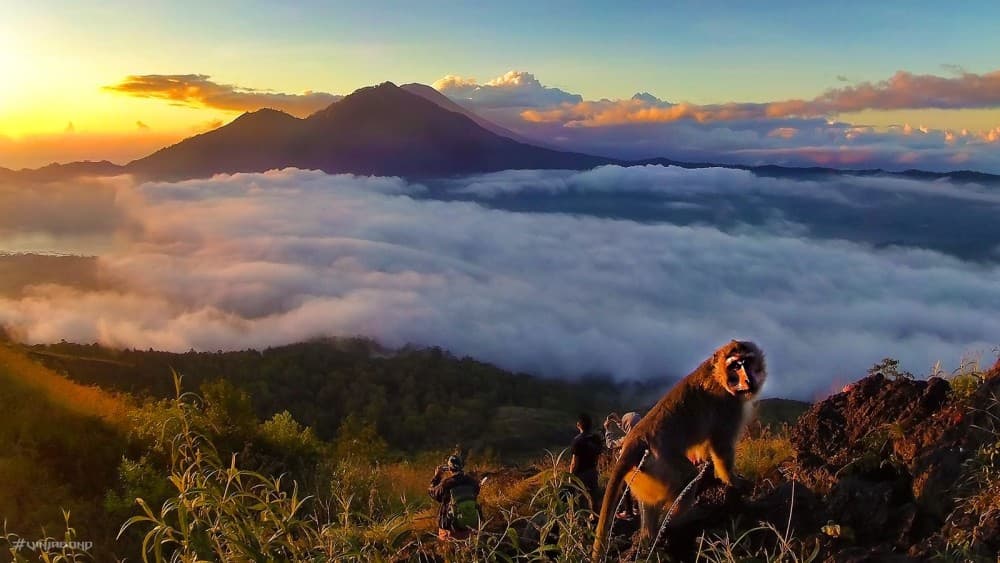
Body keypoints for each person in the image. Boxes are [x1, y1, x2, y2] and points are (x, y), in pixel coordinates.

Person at [428, 454, 481, 540]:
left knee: (449, 552)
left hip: (449, 529)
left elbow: (432, 492)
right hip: (470, 527)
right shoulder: (472, 482)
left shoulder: (446, 484)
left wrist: (437, 476)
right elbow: (476, 492)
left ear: (449, 468)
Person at [569, 413, 604, 511]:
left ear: (578, 425)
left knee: (580, 497)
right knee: (594, 495)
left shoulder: (577, 441)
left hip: (580, 474)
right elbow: (598, 454)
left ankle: (582, 519)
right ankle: (595, 516)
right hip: (592, 470)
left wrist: (571, 476)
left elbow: (574, 462)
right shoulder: (595, 438)